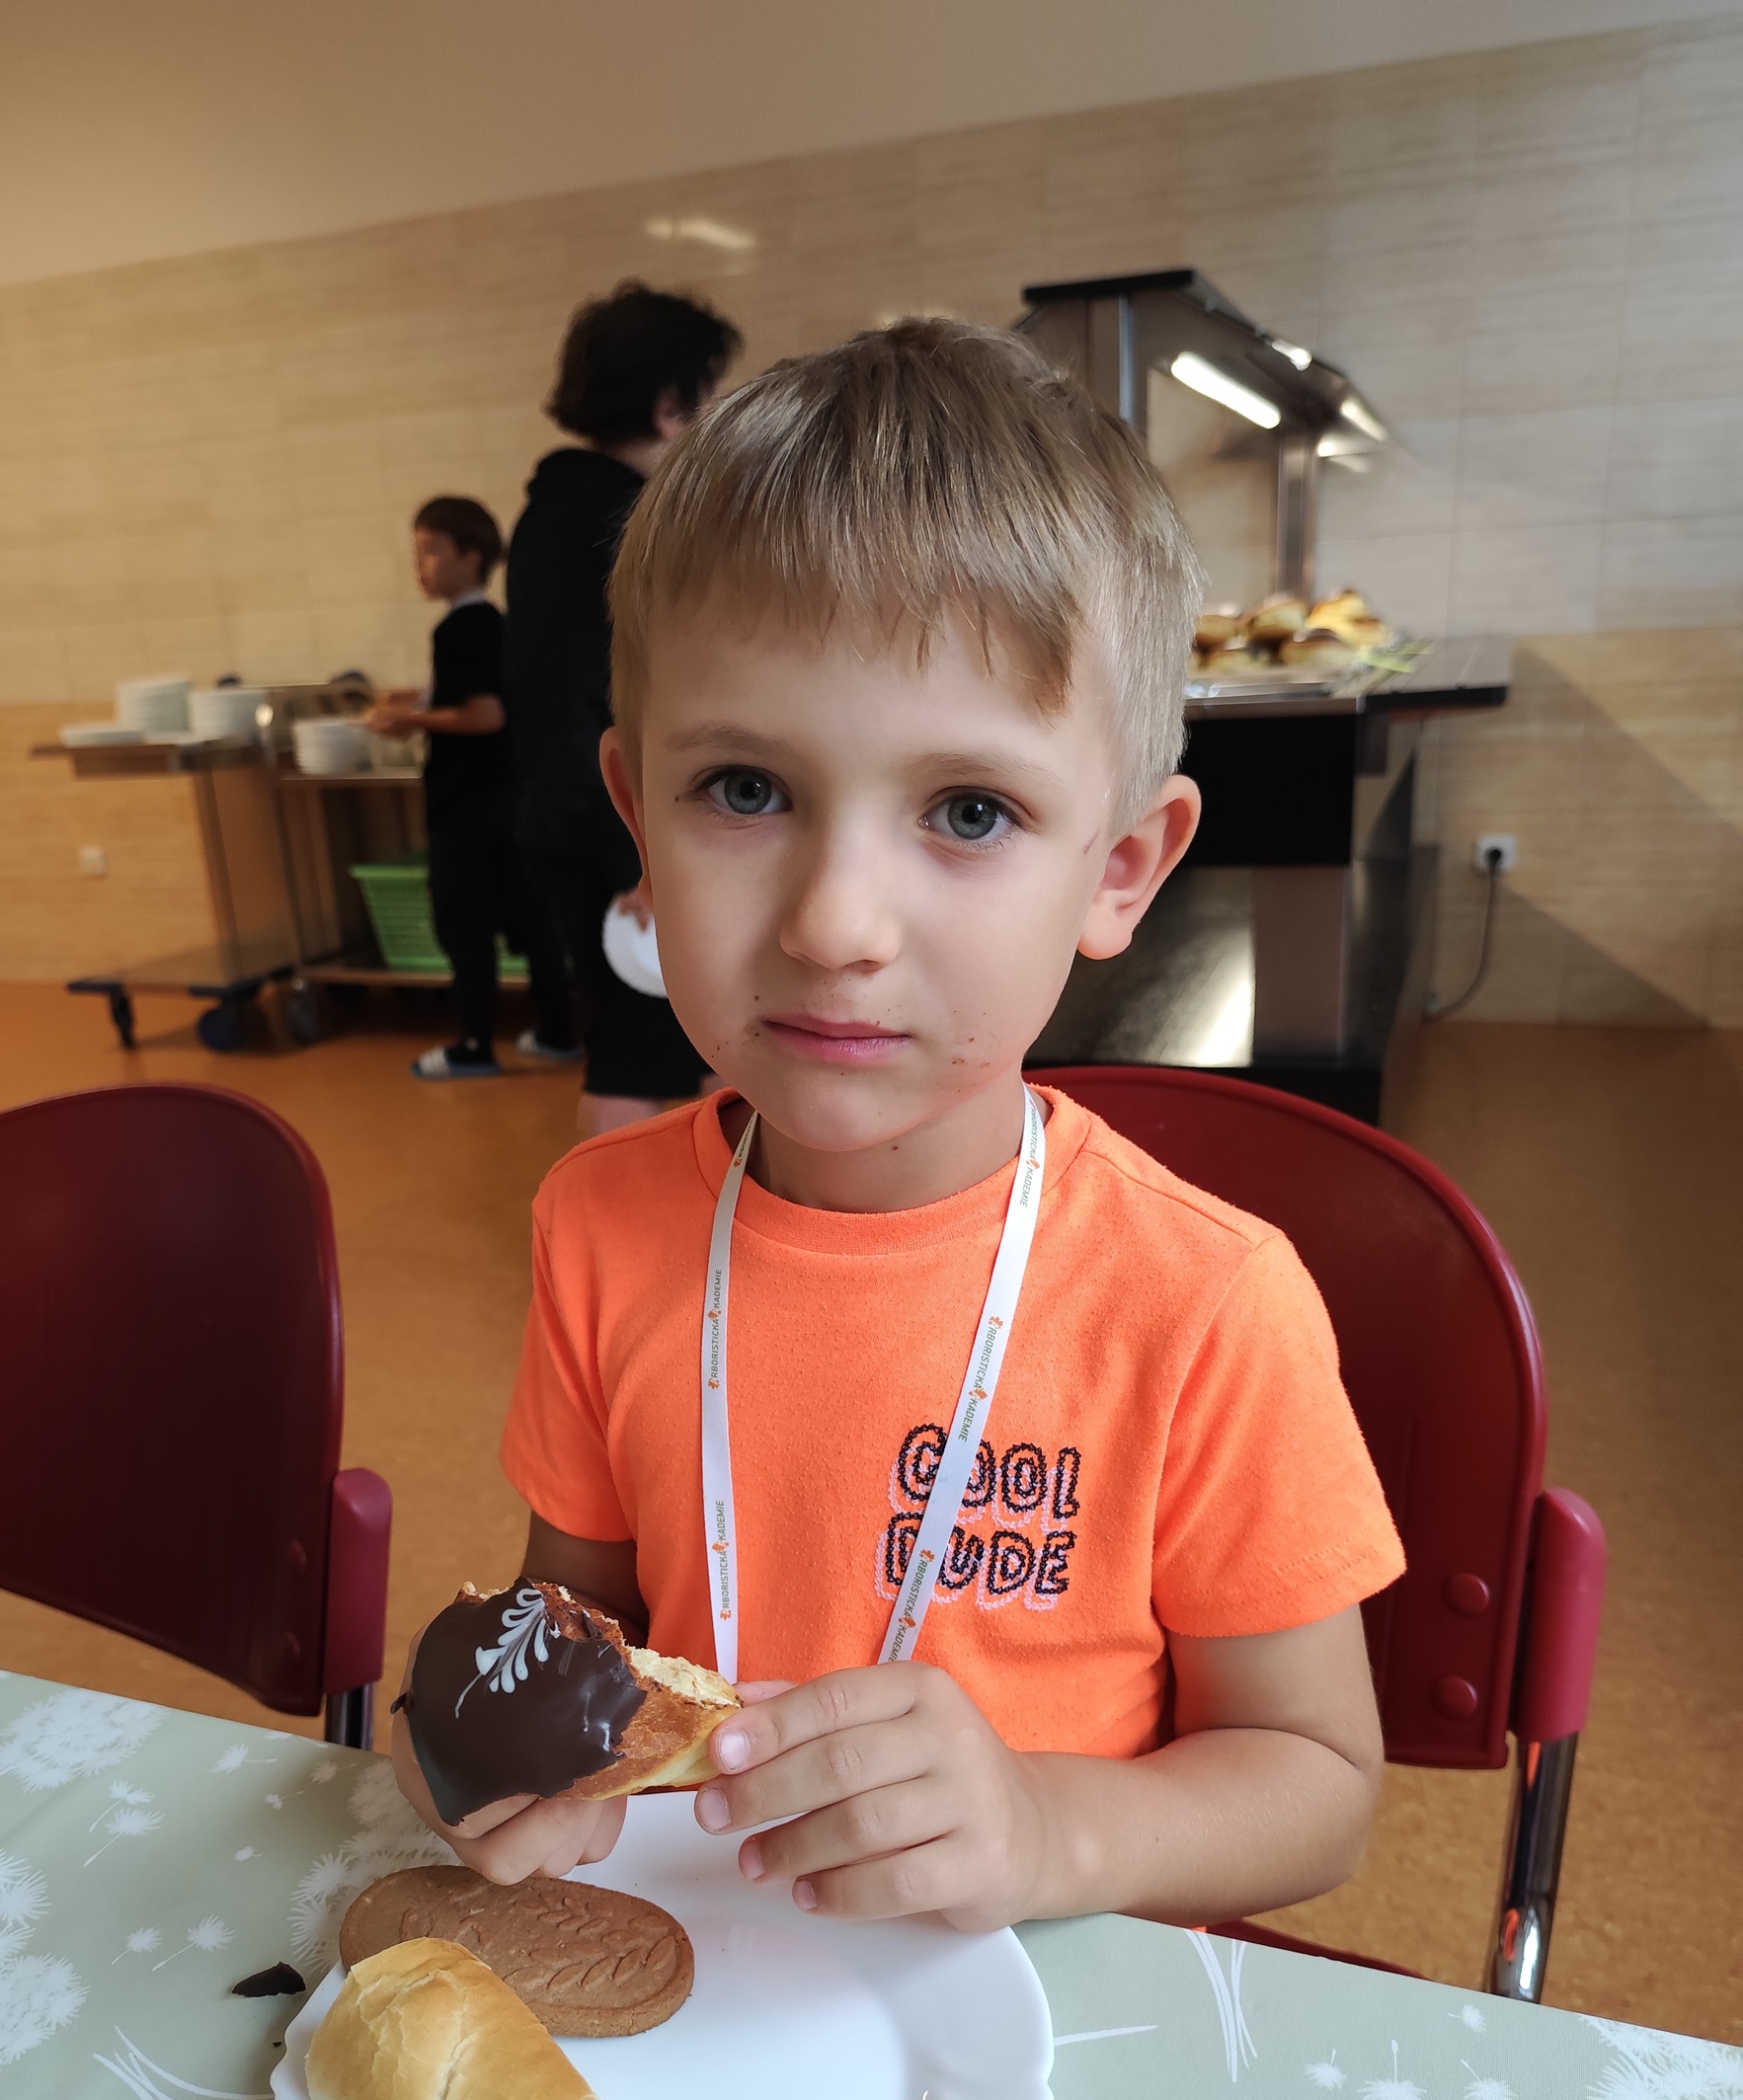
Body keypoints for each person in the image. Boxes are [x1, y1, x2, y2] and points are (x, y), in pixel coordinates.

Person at [392, 320, 1404, 1935]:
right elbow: (573, 1614)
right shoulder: (598, 1223)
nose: (837, 924)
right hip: (712, 1976)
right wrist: (498, 1738)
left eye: (969, 811)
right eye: (744, 789)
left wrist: (1048, 1831)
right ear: (637, 817)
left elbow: (1314, 1781)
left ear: (1122, 870)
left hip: (1050, 2002)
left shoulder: (1206, 1304)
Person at [507, 282, 740, 1135]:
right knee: (640, 1051)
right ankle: (648, 1220)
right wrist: (638, 852)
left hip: (572, 820)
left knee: (649, 1039)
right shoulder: (622, 519)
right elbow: (596, 698)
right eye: (712, 395)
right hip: (609, 830)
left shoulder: (552, 508)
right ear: (671, 406)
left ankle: (714, 1201)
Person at [369, 496, 577, 1079]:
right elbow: (473, 694)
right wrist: (415, 701)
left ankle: (473, 1045)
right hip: (507, 802)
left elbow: (484, 714)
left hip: (466, 809)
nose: (420, 566)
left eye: (430, 551)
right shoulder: (495, 624)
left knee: (466, 925)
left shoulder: (459, 628)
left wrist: (410, 720)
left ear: (471, 556)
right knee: (531, 920)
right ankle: (559, 1033)